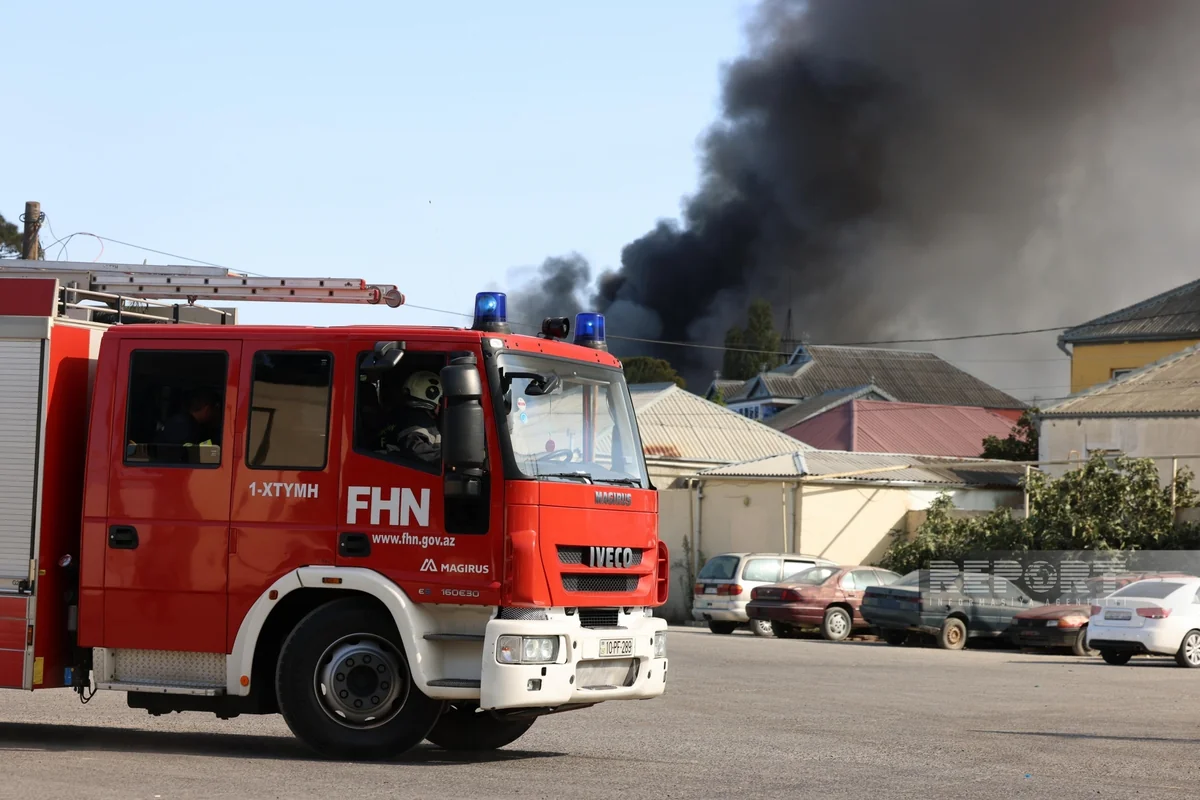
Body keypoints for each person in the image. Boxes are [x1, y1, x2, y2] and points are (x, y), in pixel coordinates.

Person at [378, 370, 442, 464]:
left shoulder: (400, 414)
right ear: (433, 396)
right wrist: (448, 461)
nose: (442, 404)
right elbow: (416, 450)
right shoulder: (417, 420)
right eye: (441, 399)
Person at [158, 388, 221, 462]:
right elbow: (188, 455)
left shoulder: (186, 422)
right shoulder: (184, 426)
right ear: (207, 409)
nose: (216, 413)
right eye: (215, 408)